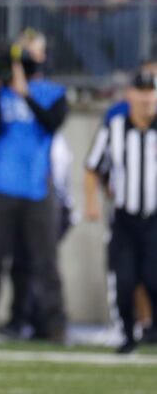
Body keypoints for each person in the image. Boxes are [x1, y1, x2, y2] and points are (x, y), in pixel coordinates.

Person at [0, 29, 67, 344]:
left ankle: (56, 326)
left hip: (37, 188)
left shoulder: (53, 92)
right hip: (0, 186)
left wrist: (24, 92)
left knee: (45, 262)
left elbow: (52, 123)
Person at [85, 70, 157, 354]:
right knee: (125, 279)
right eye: (141, 91)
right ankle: (127, 334)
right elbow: (93, 168)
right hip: (125, 219)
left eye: (151, 92)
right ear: (129, 95)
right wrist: (91, 202)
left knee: (153, 278)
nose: (146, 98)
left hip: (154, 219)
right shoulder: (114, 127)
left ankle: (151, 330)